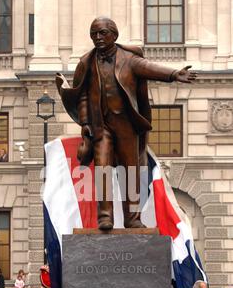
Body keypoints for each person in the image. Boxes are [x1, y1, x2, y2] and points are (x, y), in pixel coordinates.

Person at [56, 16, 197, 230]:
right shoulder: (86, 62)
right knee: (102, 169)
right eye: (94, 34)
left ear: (114, 35)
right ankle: (105, 217)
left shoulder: (129, 59)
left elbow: (149, 67)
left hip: (126, 126)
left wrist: (174, 74)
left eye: (103, 33)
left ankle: (132, 217)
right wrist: (85, 124)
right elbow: (82, 96)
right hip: (100, 127)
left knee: (130, 171)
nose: (98, 37)